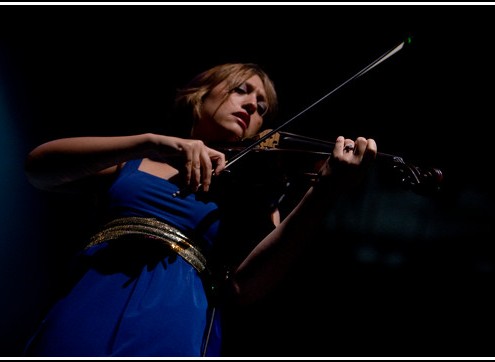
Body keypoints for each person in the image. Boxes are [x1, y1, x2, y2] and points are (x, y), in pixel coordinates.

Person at [23, 62, 377, 357]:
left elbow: (247, 287)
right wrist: (153, 142)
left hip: (177, 311)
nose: (254, 106)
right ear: (200, 94)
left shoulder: (252, 191)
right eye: (242, 90)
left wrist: (325, 190)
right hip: (93, 293)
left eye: (264, 107)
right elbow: (40, 169)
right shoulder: (136, 160)